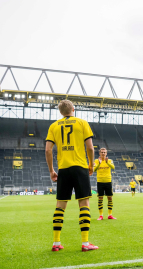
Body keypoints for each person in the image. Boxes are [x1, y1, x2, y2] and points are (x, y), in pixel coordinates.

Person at [45, 100, 98, 252]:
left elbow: (48, 150)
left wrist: (51, 171)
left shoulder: (53, 126)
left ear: (60, 112)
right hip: (80, 167)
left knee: (60, 206)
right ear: (73, 109)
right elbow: (90, 147)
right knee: (84, 204)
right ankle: (85, 243)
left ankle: (56, 243)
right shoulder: (82, 123)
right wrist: (91, 165)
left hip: (64, 169)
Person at [94, 148, 116, 221]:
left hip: (108, 181)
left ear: (106, 153)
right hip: (100, 181)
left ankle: (110, 215)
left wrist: (107, 162)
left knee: (110, 198)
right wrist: (99, 164)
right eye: (102, 152)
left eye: (104, 152)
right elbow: (94, 169)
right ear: (99, 153)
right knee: (100, 198)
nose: (103, 153)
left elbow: (113, 167)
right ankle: (101, 215)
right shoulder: (96, 161)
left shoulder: (110, 161)